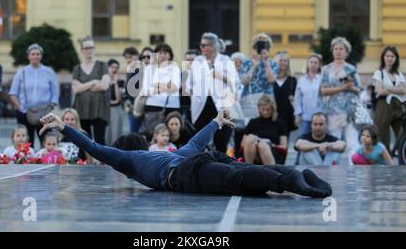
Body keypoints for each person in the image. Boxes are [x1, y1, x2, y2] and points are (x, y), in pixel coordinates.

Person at [39, 111, 332, 198]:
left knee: (237, 178)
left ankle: (291, 181)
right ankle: (287, 175)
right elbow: (196, 142)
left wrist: (63, 126)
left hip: (186, 174)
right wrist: (216, 122)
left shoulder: (129, 162)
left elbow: (95, 148)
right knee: (237, 170)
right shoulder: (165, 152)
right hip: (202, 159)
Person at [187, 32, 240, 153]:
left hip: (221, 105)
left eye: (203, 45)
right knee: (199, 140)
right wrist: (194, 96)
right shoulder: (197, 61)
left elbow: (236, 83)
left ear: (213, 46)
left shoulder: (226, 60)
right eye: (201, 45)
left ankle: (220, 168)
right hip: (201, 106)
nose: (201, 47)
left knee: (221, 142)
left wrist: (222, 77)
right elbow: (189, 84)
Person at [320, 37, 362, 164]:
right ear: (332, 51)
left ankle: (355, 173)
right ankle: (332, 173)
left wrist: (350, 87)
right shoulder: (326, 69)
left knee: (353, 143)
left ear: (346, 52)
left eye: (341, 49)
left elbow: (359, 90)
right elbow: (323, 91)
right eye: (336, 49)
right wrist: (342, 88)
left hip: (350, 111)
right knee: (334, 143)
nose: (338, 51)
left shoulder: (351, 69)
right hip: (333, 111)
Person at [9, 43, 59, 147]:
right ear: (28, 56)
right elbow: (13, 93)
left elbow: (55, 92)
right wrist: (20, 108)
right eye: (33, 54)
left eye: (38, 54)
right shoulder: (21, 72)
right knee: (26, 142)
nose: (35, 56)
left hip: (44, 113)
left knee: (47, 141)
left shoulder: (49, 71)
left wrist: (51, 107)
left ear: (41, 56)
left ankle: (45, 161)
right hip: (25, 112)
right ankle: (28, 161)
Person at [72, 37, 110, 146]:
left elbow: (104, 86)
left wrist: (83, 86)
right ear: (82, 50)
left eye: (91, 47)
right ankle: (85, 162)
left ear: (94, 49)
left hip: (99, 108)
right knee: (84, 140)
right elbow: (76, 90)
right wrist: (93, 82)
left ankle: (102, 162)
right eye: (86, 48)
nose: (89, 50)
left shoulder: (103, 65)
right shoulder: (77, 69)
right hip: (82, 108)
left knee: (100, 140)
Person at [140, 43, 181, 135]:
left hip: (172, 106)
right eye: (160, 53)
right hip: (153, 106)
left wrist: (156, 85)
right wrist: (166, 87)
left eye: (165, 53)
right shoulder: (149, 69)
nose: (162, 55)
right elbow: (146, 90)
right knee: (153, 133)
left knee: (172, 134)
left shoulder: (174, 68)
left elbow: (175, 87)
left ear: (170, 55)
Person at [372, 46, 406, 156]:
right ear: (383, 58)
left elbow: (404, 91)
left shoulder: (399, 74)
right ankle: (385, 162)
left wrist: (388, 89)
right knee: (382, 135)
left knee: (402, 133)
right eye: (387, 56)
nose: (390, 58)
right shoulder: (379, 73)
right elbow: (379, 91)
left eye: (392, 56)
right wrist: (396, 90)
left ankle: (400, 156)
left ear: (396, 58)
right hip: (383, 106)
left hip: (398, 106)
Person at [241, 94, 288, 165]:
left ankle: (271, 171)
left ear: (273, 109)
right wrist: (256, 141)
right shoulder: (253, 122)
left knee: (262, 145)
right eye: (263, 109)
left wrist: (269, 144)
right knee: (251, 138)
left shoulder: (279, 123)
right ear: (259, 108)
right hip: (253, 151)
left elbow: (284, 147)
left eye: (268, 110)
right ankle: (249, 168)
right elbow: (243, 144)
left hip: (272, 151)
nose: (265, 112)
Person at [240, 33, 278, 119]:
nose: (262, 48)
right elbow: (244, 82)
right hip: (250, 99)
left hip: (267, 100)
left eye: (265, 44)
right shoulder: (247, 63)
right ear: (254, 47)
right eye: (259, 45)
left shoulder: (273, 63)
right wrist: (254, 66)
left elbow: (271, 80)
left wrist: (266, 63)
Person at [294, 53, 323, 136]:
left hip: (319, 117)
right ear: (307, 64)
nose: (313, 65)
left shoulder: (322, 80)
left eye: (315, 63)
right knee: (304, 140)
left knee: (319, 141)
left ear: (319, 65)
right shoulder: (301, 80)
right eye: (311, 62)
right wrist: (297, 115)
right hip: (305, 117)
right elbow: (297, 99)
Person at [273, 51, 297, 134]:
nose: (283, 63)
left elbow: (295, 98)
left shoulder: (292, 80)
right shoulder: (271, 79)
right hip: (272, 113)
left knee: (284, 142)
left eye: (285, 61)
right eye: (280, 60)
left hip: (287, 115)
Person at [105, 59, 125, 145]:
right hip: (105, 110)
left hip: (116, 110)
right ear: (107, 68)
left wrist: (115, 83)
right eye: (112, 67)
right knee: (105, 134)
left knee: (116, 134)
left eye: (116, 67)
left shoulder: (120, 82)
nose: (114, 69)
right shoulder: (103, 81)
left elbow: (118, 99)